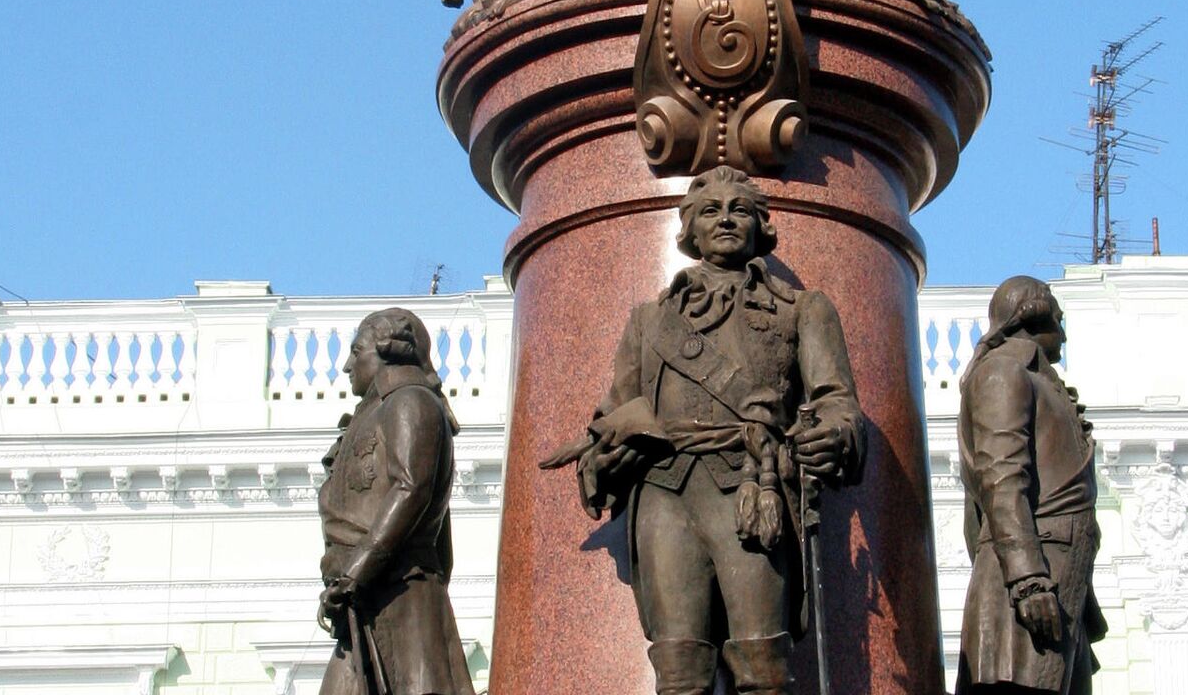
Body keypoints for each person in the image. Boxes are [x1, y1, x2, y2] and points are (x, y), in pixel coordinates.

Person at [545, 166, 865, 695]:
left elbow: (837, 402)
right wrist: (601, 460)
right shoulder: (650, 321)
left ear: (760, 225)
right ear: (689, 231)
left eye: (739, 209)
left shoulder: (802, 309)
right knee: (678, 669)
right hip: (665, 494)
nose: (724, 220)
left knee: (763, 665)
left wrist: (834, 435)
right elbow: (615, 413)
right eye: (709, 211)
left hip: (750, 485)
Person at [956, 277, 1106, 695]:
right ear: (1033, 311)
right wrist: (1028, 581)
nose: (1062, 321)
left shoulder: (1038, 377)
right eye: (1056, 310)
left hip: (1060, 580)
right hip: (1030, 586)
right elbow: (1001, 479)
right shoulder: (1004, 371)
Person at [316, 308, 475, 695]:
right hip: (363, 601)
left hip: (400, 597)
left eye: (357, 351)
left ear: (390, 352)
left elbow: (411, 489)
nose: (347, 365)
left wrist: (356, 573)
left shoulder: (410, 403)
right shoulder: (376, 411)